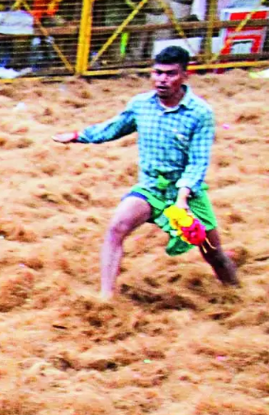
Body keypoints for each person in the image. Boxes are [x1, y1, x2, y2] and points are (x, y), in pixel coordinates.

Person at [53, 46, 238, 299]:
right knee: (117, 227)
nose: (162, 80)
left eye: (170, 74)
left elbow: (198, 163)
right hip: (151, 188)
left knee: (212, 251)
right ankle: (105, 298)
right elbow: (114, 128)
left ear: (185, 75)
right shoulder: (141, 104)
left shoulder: (200, 113)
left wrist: (182, 199)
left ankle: (235, 292)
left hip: (186, 193)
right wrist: (77, 136)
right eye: (158, 73)